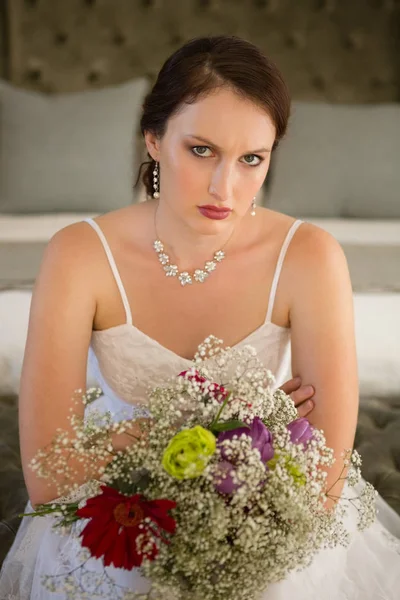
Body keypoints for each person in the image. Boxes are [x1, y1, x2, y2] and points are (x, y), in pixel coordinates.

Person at [1, 35, 399, 600]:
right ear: (154, 138)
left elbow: (323, 486)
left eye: (251, 159)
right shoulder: (79, 255)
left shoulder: (310, 257)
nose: (224, 188)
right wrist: (242, 425)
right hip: (119, 505)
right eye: (202, 150)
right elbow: (48, 479)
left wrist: (125, 440)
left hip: (265, 509)